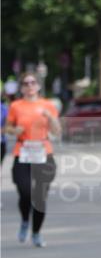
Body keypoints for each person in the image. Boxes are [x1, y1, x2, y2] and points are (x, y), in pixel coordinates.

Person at [5, 72, 61, 248]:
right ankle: (24, 220)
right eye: (26, 83)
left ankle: (36, 233)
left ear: (38, 85)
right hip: (22, 152)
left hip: (43, 152)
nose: (30, 86)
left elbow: (57, 132)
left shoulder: (47, 105)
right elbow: (7, 127)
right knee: (25, 192)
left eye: (33, 82)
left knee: (40, 197)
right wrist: (15, 131)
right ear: (21, 87)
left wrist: (50, 118)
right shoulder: (16, 106)